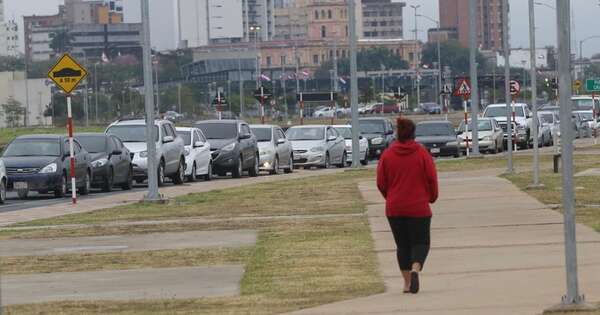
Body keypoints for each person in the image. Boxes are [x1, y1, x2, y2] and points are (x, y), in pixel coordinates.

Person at [376, 118, 439, 294]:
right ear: (413, 134)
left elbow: (381, 182)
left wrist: (390, 197)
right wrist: (432, 197)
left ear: (397, 133)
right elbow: (431, 178)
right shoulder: (422, 153)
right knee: (421, 242)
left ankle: (406, 283)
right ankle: (415, 269)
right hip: (418, 207)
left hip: (395, 208)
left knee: (402, 245)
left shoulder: (387, 154)